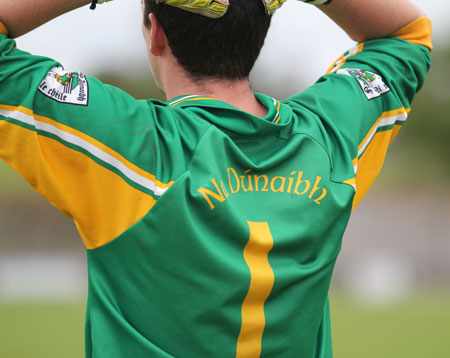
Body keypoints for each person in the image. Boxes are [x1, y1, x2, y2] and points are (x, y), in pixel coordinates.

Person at [0, 0, 432, 357]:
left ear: (156, 33)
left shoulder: (132, 147)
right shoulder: (328, 140)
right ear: (261, 31)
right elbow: (407, 34)